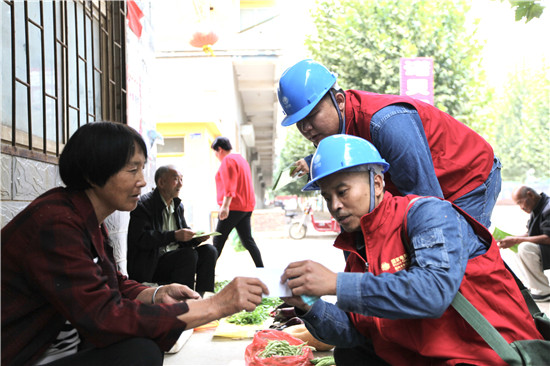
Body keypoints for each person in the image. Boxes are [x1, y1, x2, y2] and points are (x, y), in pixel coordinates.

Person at [1, 122, 268, 366]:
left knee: (146, 338)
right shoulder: (56, 223)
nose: (142, 180)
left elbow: (111, 282)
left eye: (142, 168)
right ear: (94, 174)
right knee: (140, 352)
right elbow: (105, 316)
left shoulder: (88, 218)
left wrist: (155, 294)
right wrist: (216, 306)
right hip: (27, 355)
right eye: (132, 170)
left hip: (73, 345)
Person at [280, 134, 542, 366]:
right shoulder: (359, 248)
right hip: (422, 356)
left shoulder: (427, 214)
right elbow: (355, 332)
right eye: (327, 197)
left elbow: (434, 291)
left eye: (342, 191)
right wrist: (309, 306)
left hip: (483, 355)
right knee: (350, 354)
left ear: (378, 184)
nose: (335, 206)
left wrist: (337, 283)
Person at [277, 59, 501, 229]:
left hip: (467, 179)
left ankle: (510, 291)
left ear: (339, 101)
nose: (305, 128)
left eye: (312, 116)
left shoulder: (385, 122)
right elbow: (359, 152)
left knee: (454, 257)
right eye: (299, 122)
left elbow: (426, 203)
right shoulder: (338, 136)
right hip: (431, 188)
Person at [127, 165, 217, 294]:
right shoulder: (144, 205)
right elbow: (141, 238)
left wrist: (196, 238)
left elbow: (182, 237)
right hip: (153, 265)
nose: (180, 184)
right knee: (187, 255)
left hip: (176, 258)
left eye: (181, 179)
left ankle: (205, 297)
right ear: (161, 183)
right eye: (176, 179)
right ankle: (185, 301)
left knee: (209, 251)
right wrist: (173, 236)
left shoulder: (177, 205)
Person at [210, 136, 264, 267]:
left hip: (233, 207)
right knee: (247, 241)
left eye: (215, 152)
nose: (216, 155)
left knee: (218, 241)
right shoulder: (241, 159)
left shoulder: (228, 160)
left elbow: (230, 185)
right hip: (246, 207)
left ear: (220, 149)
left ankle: (204, 274)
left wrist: (225, 206)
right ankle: (261, 269)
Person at [498, 185, 550, 302]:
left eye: (520, 202)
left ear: (530, 195)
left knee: (525, 248)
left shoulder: (548, 208)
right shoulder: (537, 208)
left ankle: (543, 291)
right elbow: (531, 234)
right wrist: (512, 239)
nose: (521, 207)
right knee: (517, 248)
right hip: (546, 249)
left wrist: (516, 240)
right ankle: (535, 286)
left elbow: (548, 238)